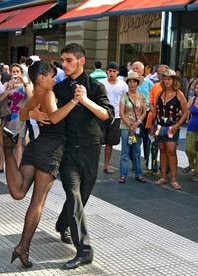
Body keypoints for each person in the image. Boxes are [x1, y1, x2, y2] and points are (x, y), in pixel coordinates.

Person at [4, 60, 76, 268]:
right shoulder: (48, 93)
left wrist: (33, 113)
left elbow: (23, 113)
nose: (55, 79)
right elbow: (53, 117)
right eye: (52, 76)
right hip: (51, 148)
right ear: (41, 78)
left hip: (36, 146)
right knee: (38, 201)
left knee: (19, 192)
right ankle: (22, 247)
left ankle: (9, 152)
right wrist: (73, 102)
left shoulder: (35, 94)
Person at [50, 43, 114, 269]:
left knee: (82, 197)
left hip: (91, 148)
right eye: (62, 60)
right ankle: (84, 250)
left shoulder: (95, 87)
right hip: (67, 151)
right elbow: (52, 115)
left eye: (68, 60)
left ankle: (62, 223)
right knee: (74, 195)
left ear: (81, 61)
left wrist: (85, 100)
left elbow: (107, 115)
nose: (64, 64)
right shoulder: (59, 89)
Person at [0, 64, 33, 172]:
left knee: (18, 144)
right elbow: (0, 98)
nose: (15, 73)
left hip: (19, 118)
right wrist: (9, 88)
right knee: (3, 143)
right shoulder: (7, 84)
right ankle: (1, 165)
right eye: (13, 71)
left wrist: (24, 83)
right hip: (7, 117)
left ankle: (17, 166)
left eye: (17, 71)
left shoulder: (26, 85)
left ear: (21, 73)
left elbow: (31, 98)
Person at [154, 69, 188, 190]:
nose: (167, 81)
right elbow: (155, 111)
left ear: (174, 80)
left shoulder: (179, 94)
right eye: (165, 79)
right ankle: (163, 176)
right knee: (162, 150)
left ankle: (173, 179)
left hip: (172, 126)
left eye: (169, 79)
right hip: (159, 126)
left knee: (171, 151)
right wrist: (152, 126)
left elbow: (185, 112)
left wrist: (178, 125)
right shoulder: (160, 93)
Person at [118, 71, 148, 183]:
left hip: (137, 127)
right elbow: (121, 113)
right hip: (126, 127)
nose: (132, 84)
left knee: (136, 151)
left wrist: (137, 122)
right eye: (130, 81)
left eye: (134, 81)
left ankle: (138, 173)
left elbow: (145, 111)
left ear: (137, 83)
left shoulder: (141, 96)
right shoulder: (124, 96)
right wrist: (130, 125)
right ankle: (122, 174)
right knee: (125, 151)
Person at [100, 62, 128, 174]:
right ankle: (92, 163)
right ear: (106, 71)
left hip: (116, 117)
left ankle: (106, 165)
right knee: (97, 141)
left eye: (114, 71)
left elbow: (125, 100)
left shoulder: (123, 85)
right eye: (110, 71)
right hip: (101, 115)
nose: (111, 73)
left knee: (110, 142)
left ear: (117, 72)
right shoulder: (101, 83)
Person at [145, 64, 169, 175]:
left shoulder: (174, 88)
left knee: (167, 145)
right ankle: (152, 167)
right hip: (156, 122)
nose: (160, 75)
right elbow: (150, 102)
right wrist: (155, 114)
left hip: (168, 122)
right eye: (159, 73)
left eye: (163, 74)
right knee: (154, 143)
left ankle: (165, 169)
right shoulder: (155, 87)